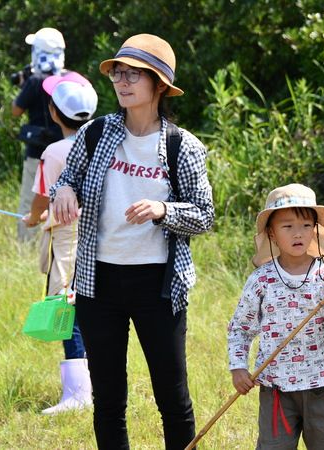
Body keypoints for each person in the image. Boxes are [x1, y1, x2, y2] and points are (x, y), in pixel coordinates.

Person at [50, 34, 214, 449]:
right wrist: (65, 192)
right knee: (108, 399)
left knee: (172, 398)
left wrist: (164, 211)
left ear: (159, 84)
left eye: (133, 75)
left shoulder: (182, 146)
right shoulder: (95, 133)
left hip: (158, 286)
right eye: (118, 74)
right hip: (97, 283)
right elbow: (66, 182)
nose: (122, 82)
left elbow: (205, 215)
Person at [228, 183, 324, 450]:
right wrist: (238, 367)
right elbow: (241, 328)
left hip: (323, 384)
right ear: (272, 234)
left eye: (305, 225)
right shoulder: (261, 280)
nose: (298, 233)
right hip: (276, 388)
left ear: (315, 230)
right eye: (287, 226)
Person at [22, 72, 98, 415]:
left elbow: (42, 197)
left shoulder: (52, 152)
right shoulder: (104, 143)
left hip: (66, 238)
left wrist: (33, 217)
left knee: (69, 310)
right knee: (99, 311)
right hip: (103, 237)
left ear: (53, 113)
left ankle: (79, 393)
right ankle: (100, 384)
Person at [12, 27, 66, 241]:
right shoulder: (66, 79)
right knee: (57, 200)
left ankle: (26, 244)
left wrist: (23, 85)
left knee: (30, 199)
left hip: (37, 151)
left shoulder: (34, 81)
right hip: (63, 151)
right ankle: (51, 241)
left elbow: (16, 111)